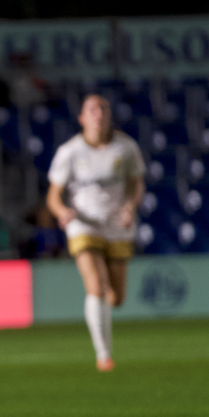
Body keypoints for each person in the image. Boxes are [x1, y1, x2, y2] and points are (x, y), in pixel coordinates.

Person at [46, 94, 145, 372]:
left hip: (116, 223)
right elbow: (53, 196)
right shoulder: (70, 152)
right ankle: (104, 355)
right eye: (92, 109)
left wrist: (130, 206)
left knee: (117, 297)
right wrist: (62, 212)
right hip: (83, 222)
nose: (98, 113)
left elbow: (136, 184)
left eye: (103, 108)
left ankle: (101, 317)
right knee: (96, 286)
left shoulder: (126, 147)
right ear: (82, 118)